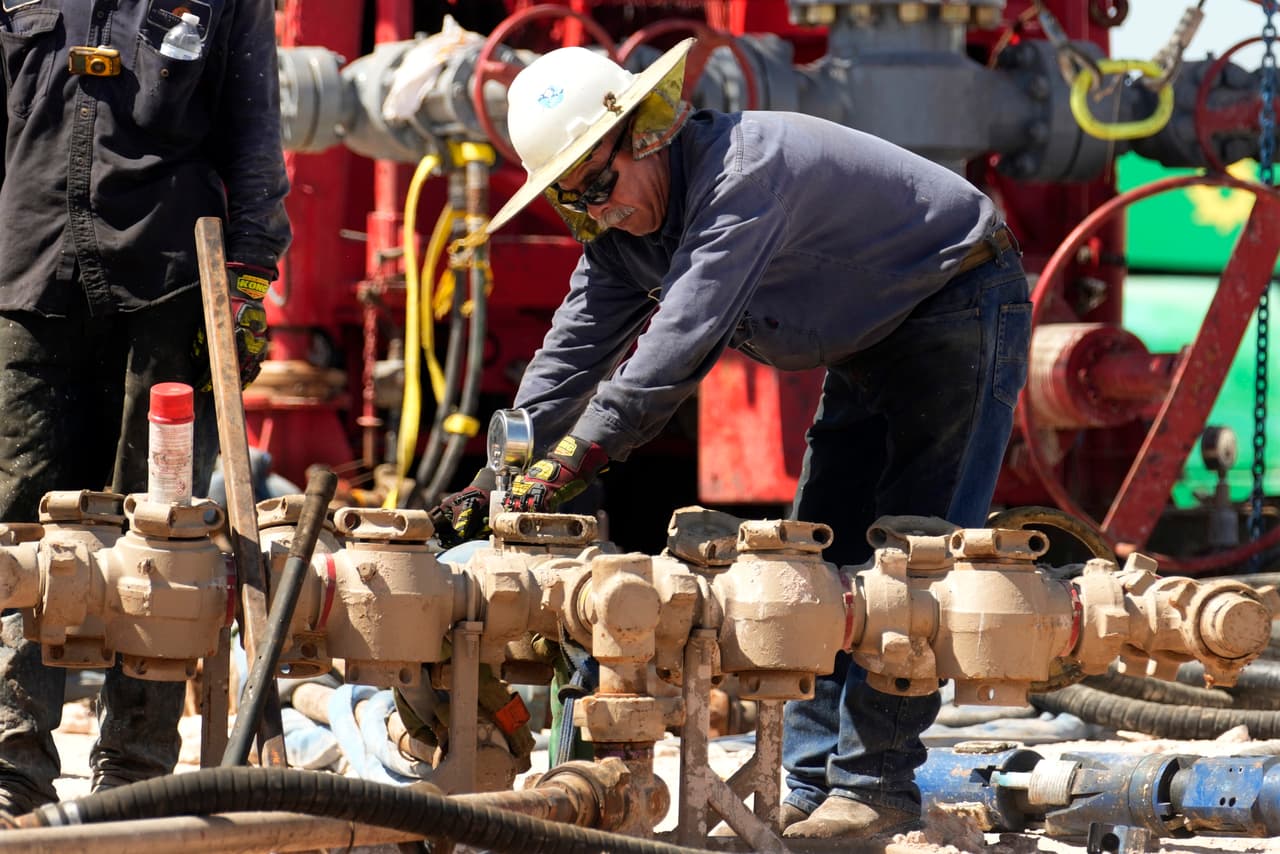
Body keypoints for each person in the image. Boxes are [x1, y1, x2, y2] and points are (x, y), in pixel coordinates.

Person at [432, 38, 1030, 839]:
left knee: (910, 557)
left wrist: (577, 458)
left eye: (600, 186)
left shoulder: (743, 176)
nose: (597, 211)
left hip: (956, 301)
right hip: (869, 337)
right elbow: (571, 351)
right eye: (574, 202)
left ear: (646, 131)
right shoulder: (623, 230)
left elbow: (674, 348)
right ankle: (815, 786)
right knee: (818, 558)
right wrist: (495, 476)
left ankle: (874, 789)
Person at [0, 1, 290, 814]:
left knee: (165, 531)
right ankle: (11, 765)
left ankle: (135, 769)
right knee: (20, 524)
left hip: (170, 281)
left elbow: (253, 133)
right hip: (29, 277)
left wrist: (251, 277)